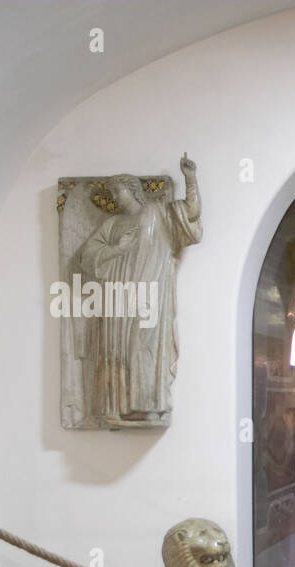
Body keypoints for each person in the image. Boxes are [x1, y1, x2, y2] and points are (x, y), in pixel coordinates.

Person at [78, 153, 202, 427]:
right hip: (118, 301)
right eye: (111, 192)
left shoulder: (157, 212)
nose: (115, 196)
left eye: (118, 190)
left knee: (144, 348)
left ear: (133, 190)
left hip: (149, 298)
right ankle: (119, 408)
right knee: (118, 351)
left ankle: (149, 407)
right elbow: (88, 256)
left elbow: (191, 213)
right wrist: (116, 250)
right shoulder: (111, 225)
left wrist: (190, 179)